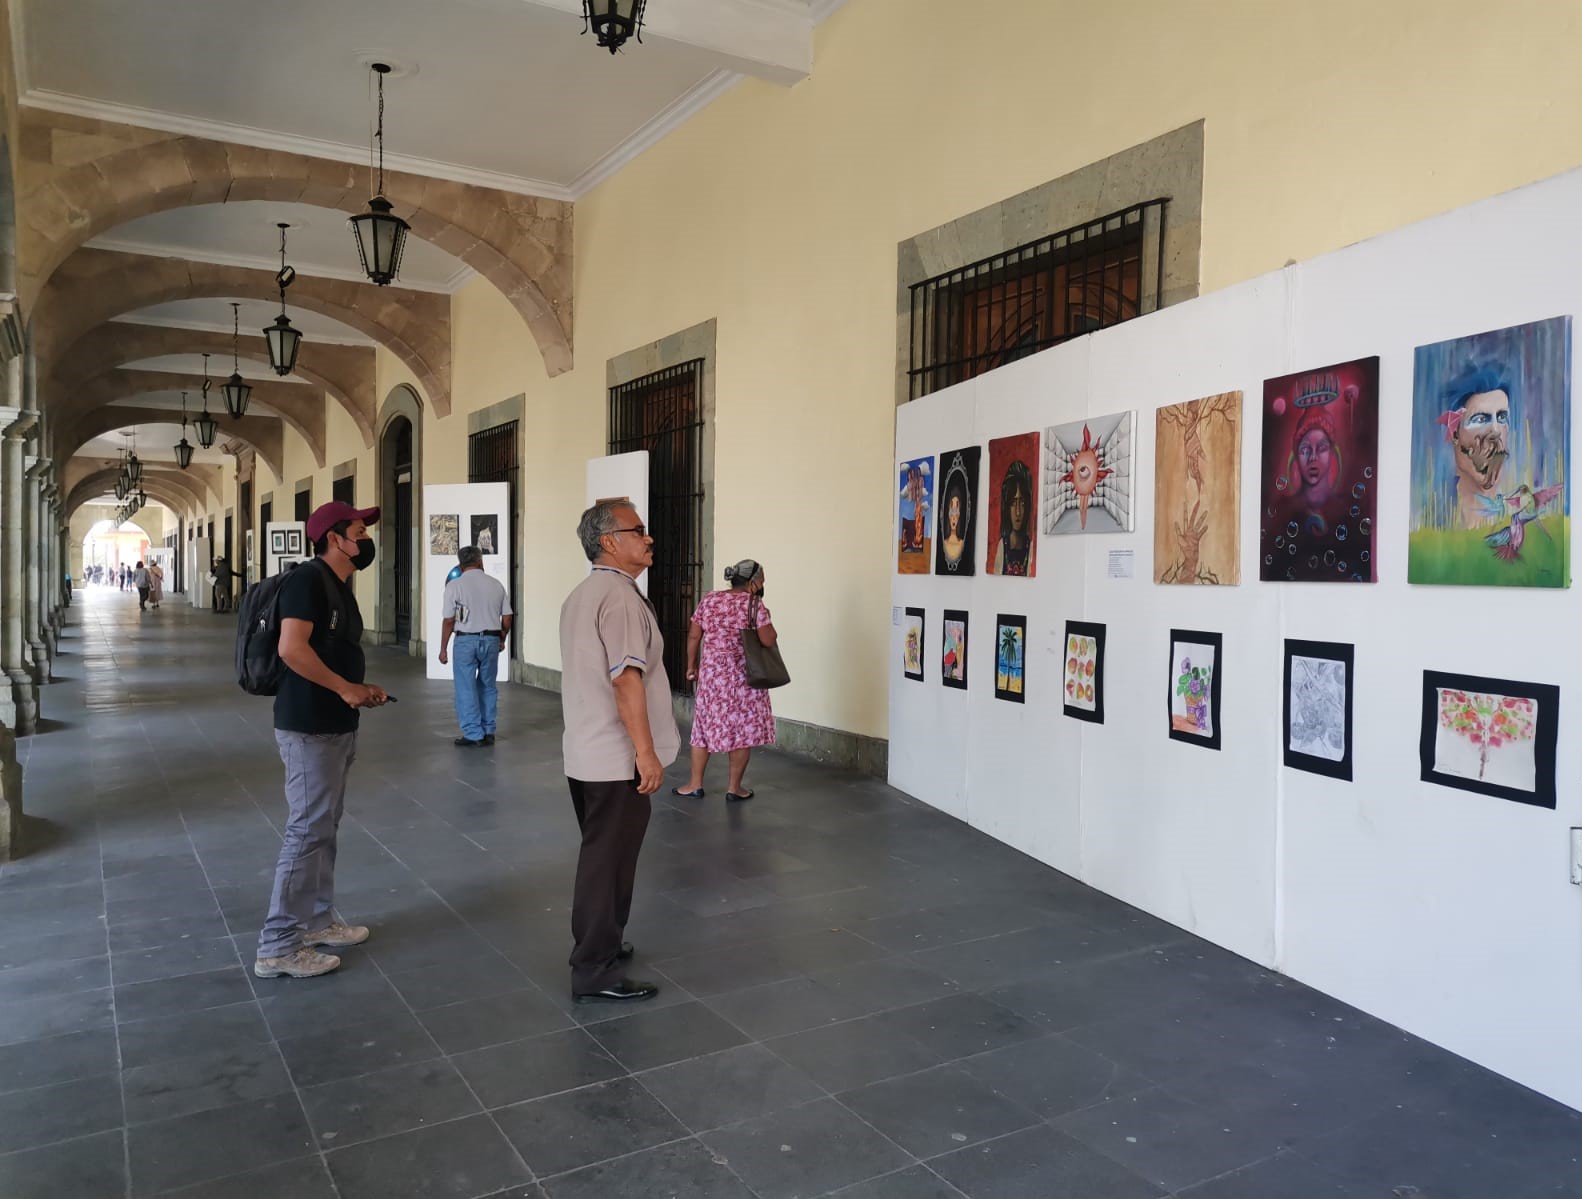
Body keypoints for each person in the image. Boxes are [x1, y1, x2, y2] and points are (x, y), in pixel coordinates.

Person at [253, 501, 389, 980]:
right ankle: (277, 944)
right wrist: (344, 688)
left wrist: (358, 689)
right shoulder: (308, 581)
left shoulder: (337, 585)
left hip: (334, 723)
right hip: (309, 725)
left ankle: (315, 920)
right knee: (307, 830)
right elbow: (291, 648)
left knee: (324, 826)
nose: (366, 539)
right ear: (334, 538)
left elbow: (331, 651)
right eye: (359, 531)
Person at [559, 500, 677, 1004]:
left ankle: (602, 943)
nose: (648, 538)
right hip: (614, 757)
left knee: (605, 857)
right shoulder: (620, 598)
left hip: (586, 751)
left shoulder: (585, 594)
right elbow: (626, 680)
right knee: (607, 864)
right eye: (638, 530)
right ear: (609, 541)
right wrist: (645, 754)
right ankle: (593, 969)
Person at [673, 559, 778, 802]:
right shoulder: (754, 605)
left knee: (702, 728)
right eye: (762, 579)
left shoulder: (710, 599)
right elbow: (768, 640)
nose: (763, 584)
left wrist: (691, 666)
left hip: (713, 679)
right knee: (742, 730)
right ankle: (734, 788)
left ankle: (695, 785)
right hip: (744, 679)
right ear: (753, 582)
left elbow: (694, 635)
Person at [437, 546, 513, 748]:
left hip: (465, 641)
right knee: (488, 685)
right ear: (480, 561)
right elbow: (507, 616)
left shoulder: (455, 586)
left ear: (460, 565)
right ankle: (489, 730)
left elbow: (448, 620)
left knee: (466, 687)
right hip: (490, 640)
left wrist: (443, 648)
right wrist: (502, 637)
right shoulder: (495, 584)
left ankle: (473, 733)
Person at [990, 459, 1035, 574]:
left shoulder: (1030, 548)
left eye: (1022, 503)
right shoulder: (1002, 547)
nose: (1018, 512)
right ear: (1007, 507)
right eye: (1013, 503)